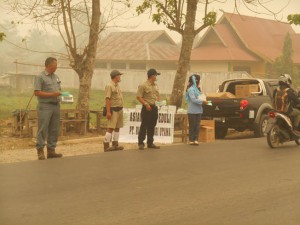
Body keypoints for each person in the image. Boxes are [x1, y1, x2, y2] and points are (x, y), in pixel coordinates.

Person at [34, 57, 63, 160]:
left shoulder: (56, 77)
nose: (56, 67)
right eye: (55, 65)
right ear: (50, 65)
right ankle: (40, 151)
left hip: (56, 105)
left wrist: (63, 96)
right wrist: (52, 94)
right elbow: (36, 92)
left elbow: (58, 90)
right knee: (43, 128)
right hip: (45, 106)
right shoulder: (40, 77)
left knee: (54, 129)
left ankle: (51, 150)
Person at [136, 68, 161, 150]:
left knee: (152, 126)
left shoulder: (156, 85)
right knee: (144, 125)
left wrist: (159, 102)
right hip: (147, 108)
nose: (156, 77)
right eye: (156, 75)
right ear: (152, 76)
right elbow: (138, 96)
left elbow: (157, 96)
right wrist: (146, 104)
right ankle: (141, 143)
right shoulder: (143, 85)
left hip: (154, 107)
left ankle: (150, 143)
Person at [103, 70, 125, 152]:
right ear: (116, 76)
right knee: (111, 128)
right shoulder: (109, 85)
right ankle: (106, 145)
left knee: (117, 127)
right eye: (119, 75)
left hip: (119, 109)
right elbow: (107, 99)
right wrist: (108, 111)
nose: (120, 77)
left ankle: (115, 144)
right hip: (113, 109)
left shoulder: (117, 85)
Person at [185, 74, 208, 145]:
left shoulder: (197, 89)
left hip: (199, 110)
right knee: (192, 125)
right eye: (198, 80)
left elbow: (201, 96)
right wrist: (202, 101)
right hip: (192, 111)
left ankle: (196, 139)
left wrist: (204, 100)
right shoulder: (191, 89)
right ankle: (191, 139)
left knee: (197, 126)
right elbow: (193, 99)